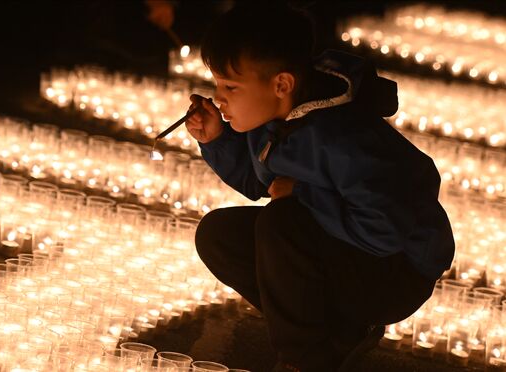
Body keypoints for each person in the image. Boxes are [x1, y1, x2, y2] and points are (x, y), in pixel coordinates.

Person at [185, 4, 455, 372]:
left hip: (394, 273)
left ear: (282, 84)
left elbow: (383, 232)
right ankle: (337, 333)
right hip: (345, 251)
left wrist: (299, 197)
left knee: (281, 222)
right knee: (219, 235)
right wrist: (217, 139)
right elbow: (260, 182)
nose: (220, 98)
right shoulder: (276, 119)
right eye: (217, 84)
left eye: (230, 87)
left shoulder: (343, 137)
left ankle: (305, 360)